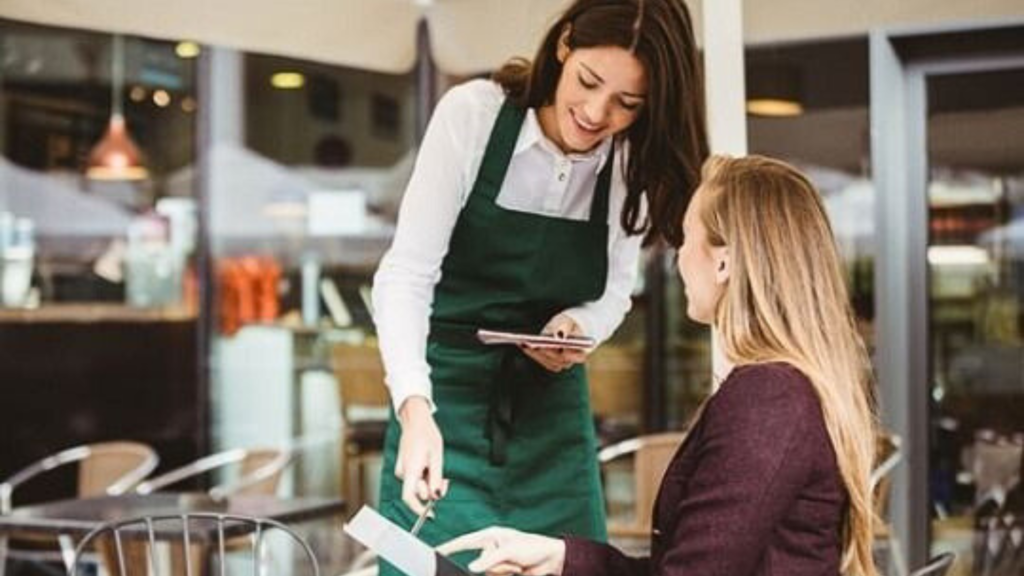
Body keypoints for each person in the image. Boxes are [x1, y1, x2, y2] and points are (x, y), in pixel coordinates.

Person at [370, 0, 707, 571]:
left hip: (553, 423)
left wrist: (579, 329)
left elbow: (614, 291)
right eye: (589, 81)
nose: (597, 114)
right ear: (564, 44)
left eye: (627, 103)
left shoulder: (630, 163)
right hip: (440, 409)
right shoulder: (472, 116)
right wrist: (414, 410)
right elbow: (405, 275)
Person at [439, 155, 881, 576]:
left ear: (724, 261)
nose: (679, 257)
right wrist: (559, 558)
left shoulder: (769, 396)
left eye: (687, 238)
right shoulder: (784, 390)